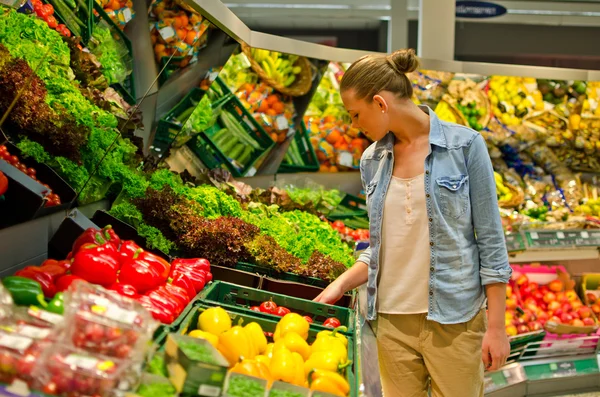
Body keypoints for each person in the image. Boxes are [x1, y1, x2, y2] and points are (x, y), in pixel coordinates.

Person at [314, 49, 512, 397]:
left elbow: (492, 243)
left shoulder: (465, 146)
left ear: (380, 103)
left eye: (356, 114)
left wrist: (496, 328)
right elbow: (382, 246)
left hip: (455, 321)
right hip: (390, 322)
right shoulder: (372, 160)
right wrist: (340, 285)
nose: (354, 125)